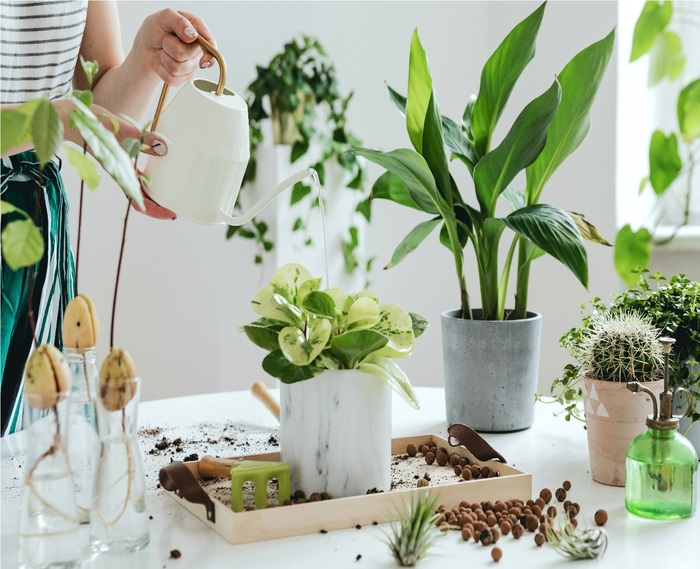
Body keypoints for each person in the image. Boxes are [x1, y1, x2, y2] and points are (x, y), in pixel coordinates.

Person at [0, 1, 217, 434]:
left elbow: (95, 99)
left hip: (33, 222)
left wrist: (145, 60)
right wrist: (59, 120)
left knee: (30, 457)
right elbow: (71, 115)